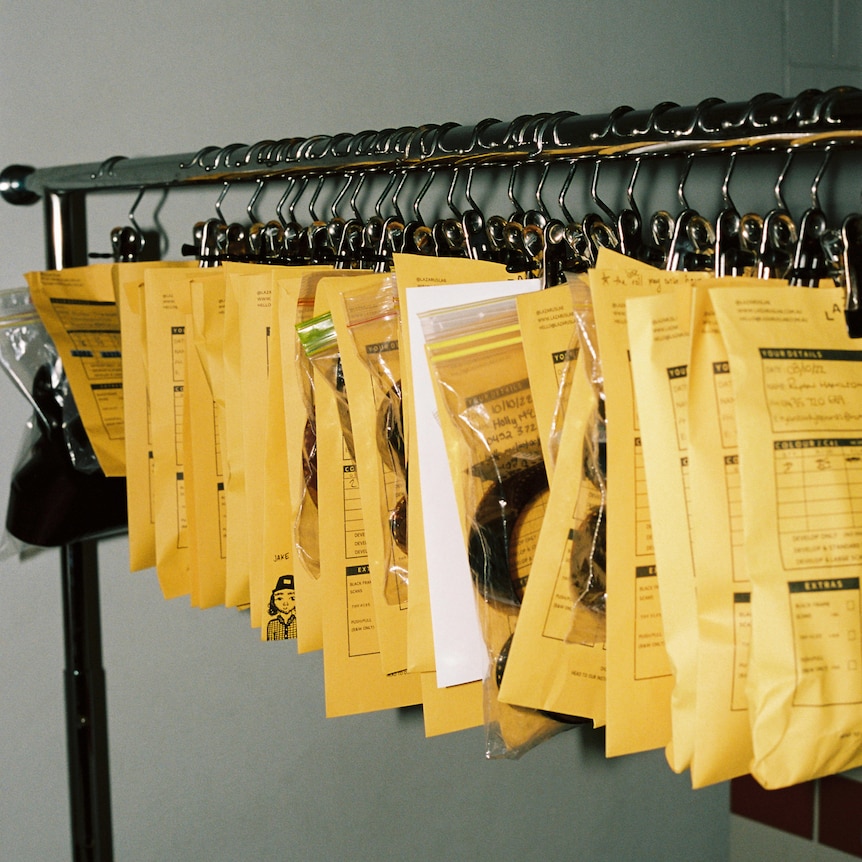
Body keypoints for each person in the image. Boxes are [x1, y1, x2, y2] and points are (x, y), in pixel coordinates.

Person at [266, 574, 297, 640]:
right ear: (273, 600)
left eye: (292, 598)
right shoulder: (272, 624)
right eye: (280, 598)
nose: (285, 603)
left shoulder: (298, 623)